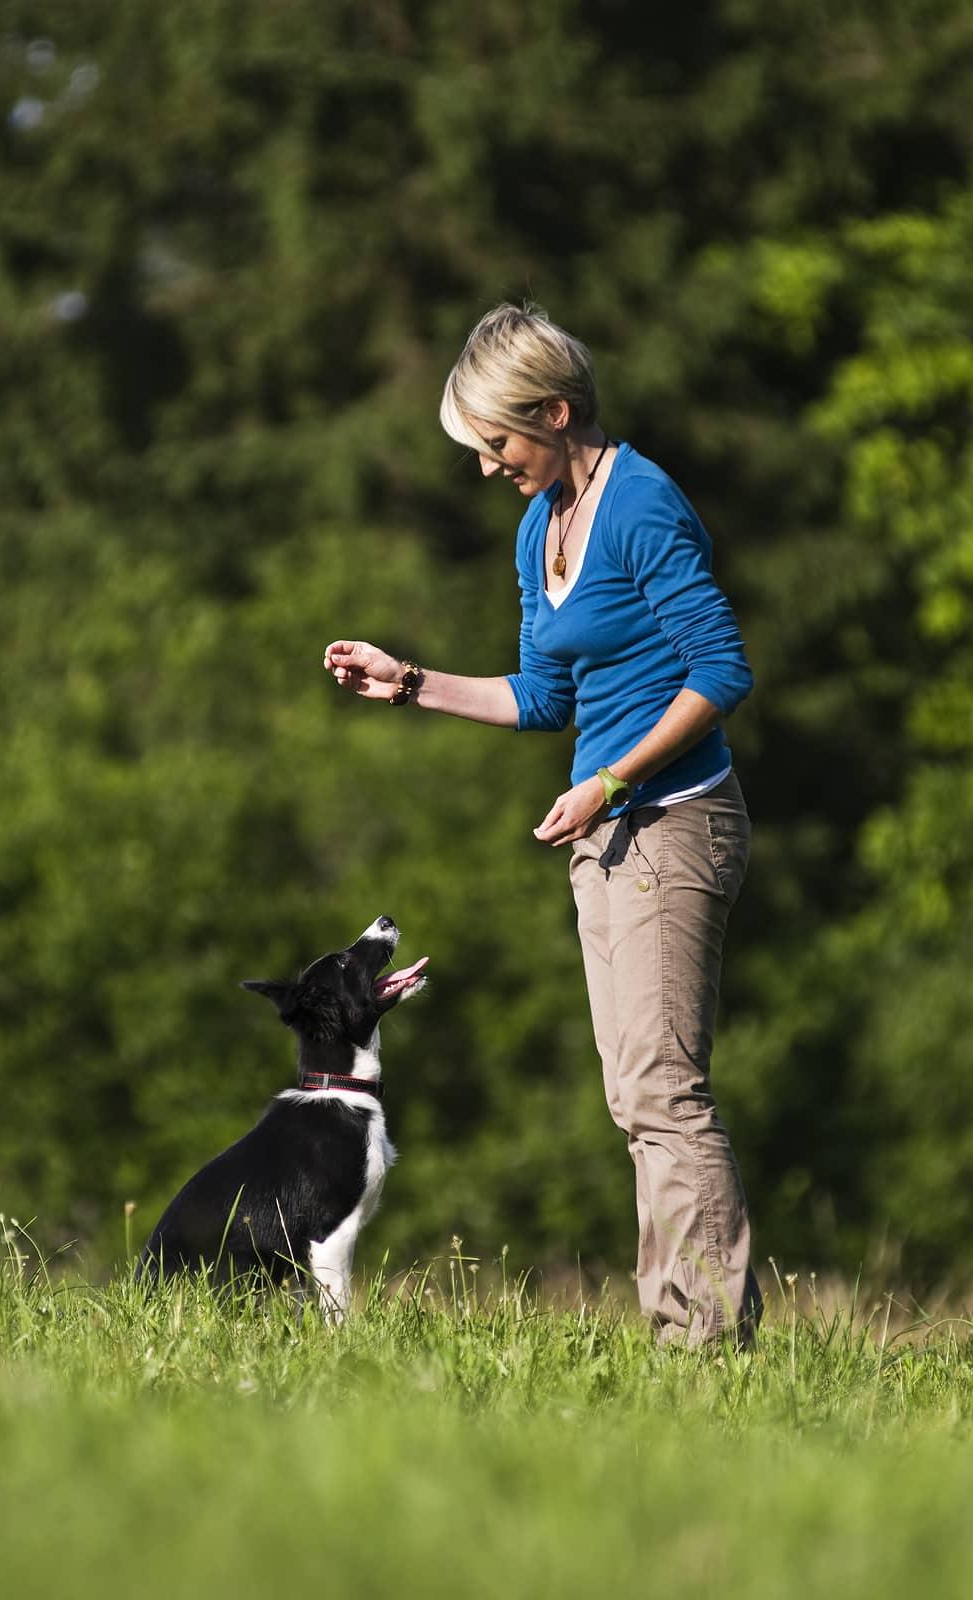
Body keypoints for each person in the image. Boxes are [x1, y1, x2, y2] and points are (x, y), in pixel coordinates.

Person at [323, 303, 761, 1348]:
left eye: (497, 443)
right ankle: (681, 1336)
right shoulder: (540, 527)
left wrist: (609, 783)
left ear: (555, 413)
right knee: (633, 1098)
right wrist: (410, 680)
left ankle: (703, 1348)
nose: (487, 468)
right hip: (603, 836)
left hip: (674, 821)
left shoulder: (642, 504)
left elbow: (721, 673)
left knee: (664, 1091)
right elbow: (543, 696)